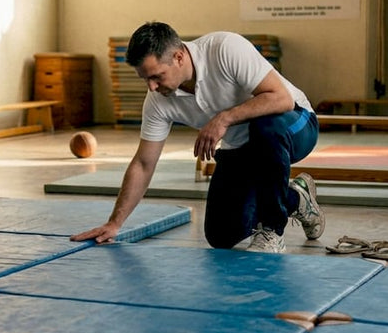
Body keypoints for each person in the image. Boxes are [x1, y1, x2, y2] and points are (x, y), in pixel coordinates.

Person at [70, 21, 323, 253]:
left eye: (156, 76)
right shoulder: (157, 102)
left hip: (296, 123)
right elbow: (144, 163)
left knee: (266, 128)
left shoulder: (225, 49)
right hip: (243, 147)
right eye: (145, 79)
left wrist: (224, 118)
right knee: (221, 235)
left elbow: (282, 99)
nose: (152, 87)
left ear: (179, 57)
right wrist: (115, 223)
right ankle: (296, 198)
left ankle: (272, 231)